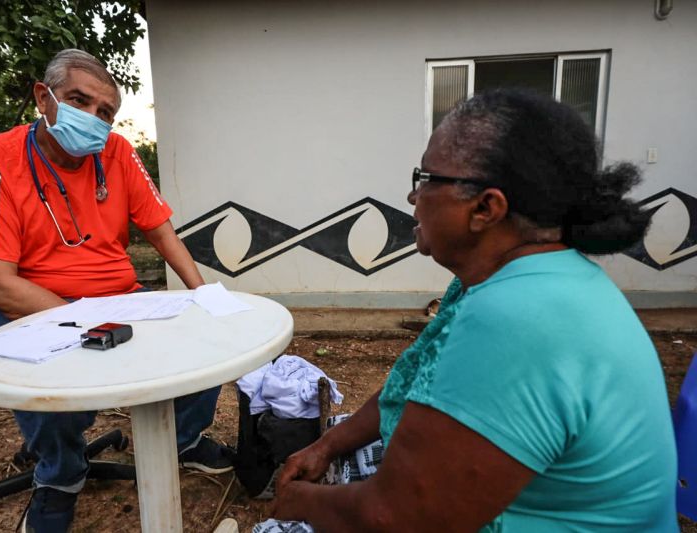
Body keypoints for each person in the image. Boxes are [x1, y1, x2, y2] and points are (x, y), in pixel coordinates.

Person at [266, 89, 678, 532]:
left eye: (425, 178)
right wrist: (327, 445)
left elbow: (396, 519)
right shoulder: (512, 281)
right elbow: (412, 384)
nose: (412, 195)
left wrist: (299, 501)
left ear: (485, 208)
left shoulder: (517, 318)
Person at [0, 49, 233, 532]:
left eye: (106, 112)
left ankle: (181, 439)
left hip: (118, 293)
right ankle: (60, 474)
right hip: (25, 303)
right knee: (49, 377)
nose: (94, 118)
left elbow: (160, 231)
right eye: (79, 101)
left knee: (205, 339)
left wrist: (203, 296)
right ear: (43, 97)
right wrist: (83, 322)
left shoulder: (117, 153)